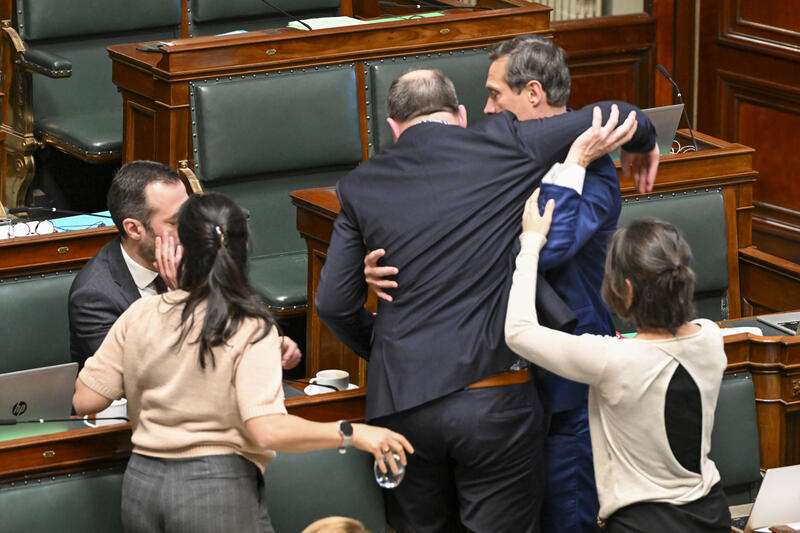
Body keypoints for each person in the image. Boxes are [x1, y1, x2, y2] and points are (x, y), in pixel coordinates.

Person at [315, 68, 657, 532]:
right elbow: (622, 115)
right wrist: (642, 143)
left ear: (393, 128)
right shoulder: (501, 141)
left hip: (401, 407)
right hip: (494, 400)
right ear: (460, 115)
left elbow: (333, 303)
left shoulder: (358, 184)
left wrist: (388, 348)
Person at [72, 192, 413, 532]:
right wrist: (352, 432)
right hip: (215, 489)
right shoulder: (248, 326)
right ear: (245, 248)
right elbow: (267, 429)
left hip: (141, 486)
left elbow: (86, 399)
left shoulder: (140, 313)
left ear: (181, 248)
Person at [505, 195, 730, 532]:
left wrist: (531, 245)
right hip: (712, 514)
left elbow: (518, 331)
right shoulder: (712, 339)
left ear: (626, 289)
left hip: (641, 525)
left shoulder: (610, 359)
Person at [68, 160, 302, 370]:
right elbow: (143, 377)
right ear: (134, 229)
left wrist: (262, 343)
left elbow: (231, 321)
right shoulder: (95, 294)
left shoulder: (197, 252)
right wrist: (183, 299)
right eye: (175, 221)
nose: (191, 228)